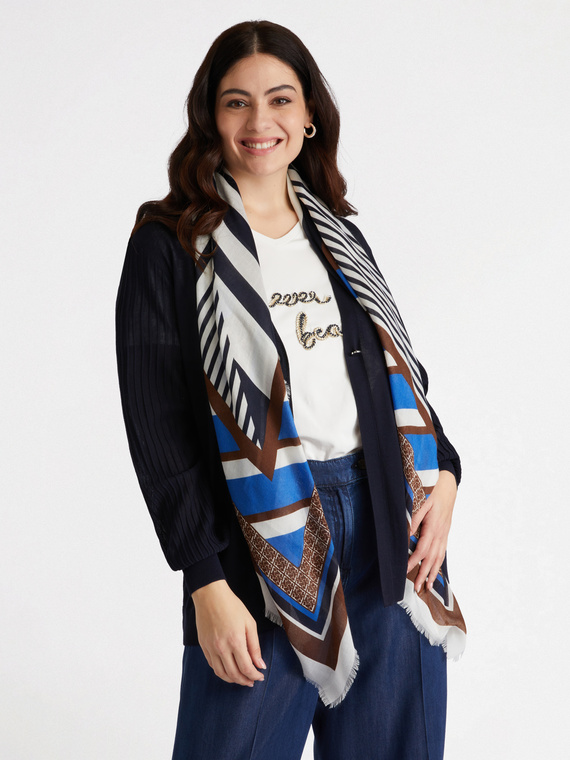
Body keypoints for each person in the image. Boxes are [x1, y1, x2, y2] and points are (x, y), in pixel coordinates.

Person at [116, 19, 466, 760]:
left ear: (309, 115)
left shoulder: (339, 237)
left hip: (390, 531)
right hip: (257, 547)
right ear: (210, 116)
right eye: (237, 101)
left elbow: (399, 376)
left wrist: (448, 474)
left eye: (279, 99)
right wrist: (206, 581)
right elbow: (158, 428)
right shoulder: (169, 245)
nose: (260, 121)